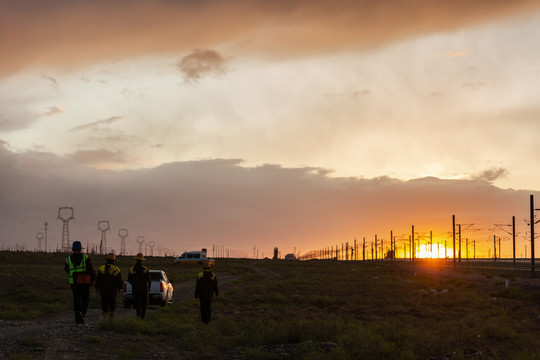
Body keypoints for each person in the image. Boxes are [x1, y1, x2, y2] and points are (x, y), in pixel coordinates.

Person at [64, 240, 95, 324]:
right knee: (85, 300)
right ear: (80, 249)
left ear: (73, 249)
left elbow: (67, 269)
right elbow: (91, 270)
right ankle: (82, 314)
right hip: (85, 283)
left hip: (74, 283)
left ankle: (77, 318)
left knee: (76, 301)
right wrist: (92, 280)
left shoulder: (68, 259)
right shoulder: (85, 257)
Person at [95, 253, 124, 320]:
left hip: (103, 291)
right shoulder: (116, 269)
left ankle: (104, 318)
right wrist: (120, 288)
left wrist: (96, 288)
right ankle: (110, 319)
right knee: (112, 306)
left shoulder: (101, 268)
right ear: (114, 261)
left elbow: (97, 280)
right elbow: (119, 281)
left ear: (107, 260)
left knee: (104, 305)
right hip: (112, 292)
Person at [128, 253, 151, 319]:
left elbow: (129, 280)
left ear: (136, 260)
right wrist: (148, 288)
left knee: (138, 304)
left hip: (135, 289)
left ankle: (139, 316)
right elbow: (149, 280)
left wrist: (134, 284)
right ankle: (142, 317)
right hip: (144, 290)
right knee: (143, 304)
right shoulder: (145, 269)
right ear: (142, 260)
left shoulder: (132, 269)